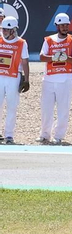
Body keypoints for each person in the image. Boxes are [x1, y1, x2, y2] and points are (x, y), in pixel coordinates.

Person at [39, 13, 72, 144]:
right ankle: (45, 135)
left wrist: (65, 57)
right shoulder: (49, 40)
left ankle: (59, 136)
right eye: (62, 25)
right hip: (49, 78)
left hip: (66, 79)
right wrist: (55, 57)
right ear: (56, 25)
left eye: (66, 25)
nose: (64, 27)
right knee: (46, 109)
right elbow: (42, 57)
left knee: (63, 109)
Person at [0, 15, 26, 144]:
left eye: (6, 29)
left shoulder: (21, 43)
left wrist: (27, 79)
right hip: (0, 77)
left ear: (13, 30)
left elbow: (25, 61)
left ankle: (9, 135)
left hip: (13, 78)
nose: (3, 31)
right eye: (3, 29)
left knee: (12, 107)